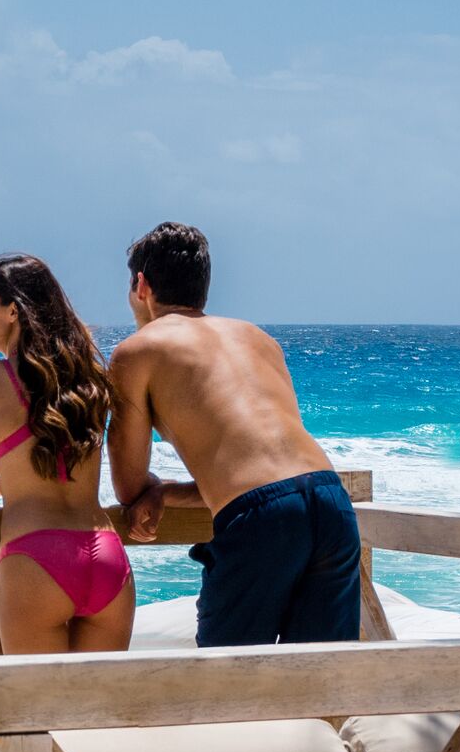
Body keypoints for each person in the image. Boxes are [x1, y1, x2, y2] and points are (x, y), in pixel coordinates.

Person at [107, 221, 362, 645]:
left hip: (262, 519)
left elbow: (129, 486)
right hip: (330, 498)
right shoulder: (258, 338)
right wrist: (169, 491)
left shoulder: (139, 350)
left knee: (229, 683)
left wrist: (153, 492)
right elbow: (266, 471)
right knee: (321, 680)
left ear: (141, 285)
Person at [0, 253, 137, 652]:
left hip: (36, 558)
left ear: (13, 312)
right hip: (105, 555)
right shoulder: (88, 377)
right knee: (97, 712)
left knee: (37, 712)